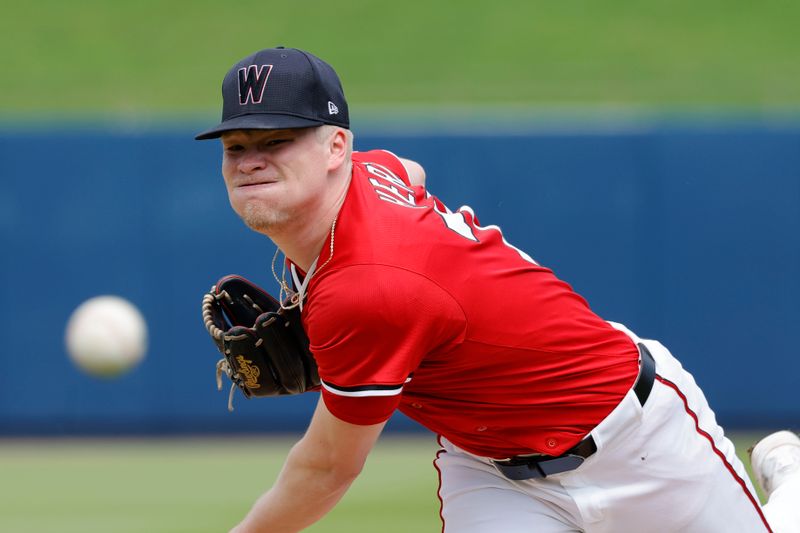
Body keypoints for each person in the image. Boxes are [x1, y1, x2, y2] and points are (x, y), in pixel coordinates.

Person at [196, 46, 800, 533]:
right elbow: (407, 172)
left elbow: (325, 469)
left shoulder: (367, 291)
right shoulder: (371, 174)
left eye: (277, 140)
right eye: (236, 146)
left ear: (336, 148)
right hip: (491, 473)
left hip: (636, 440)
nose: (250, 160)